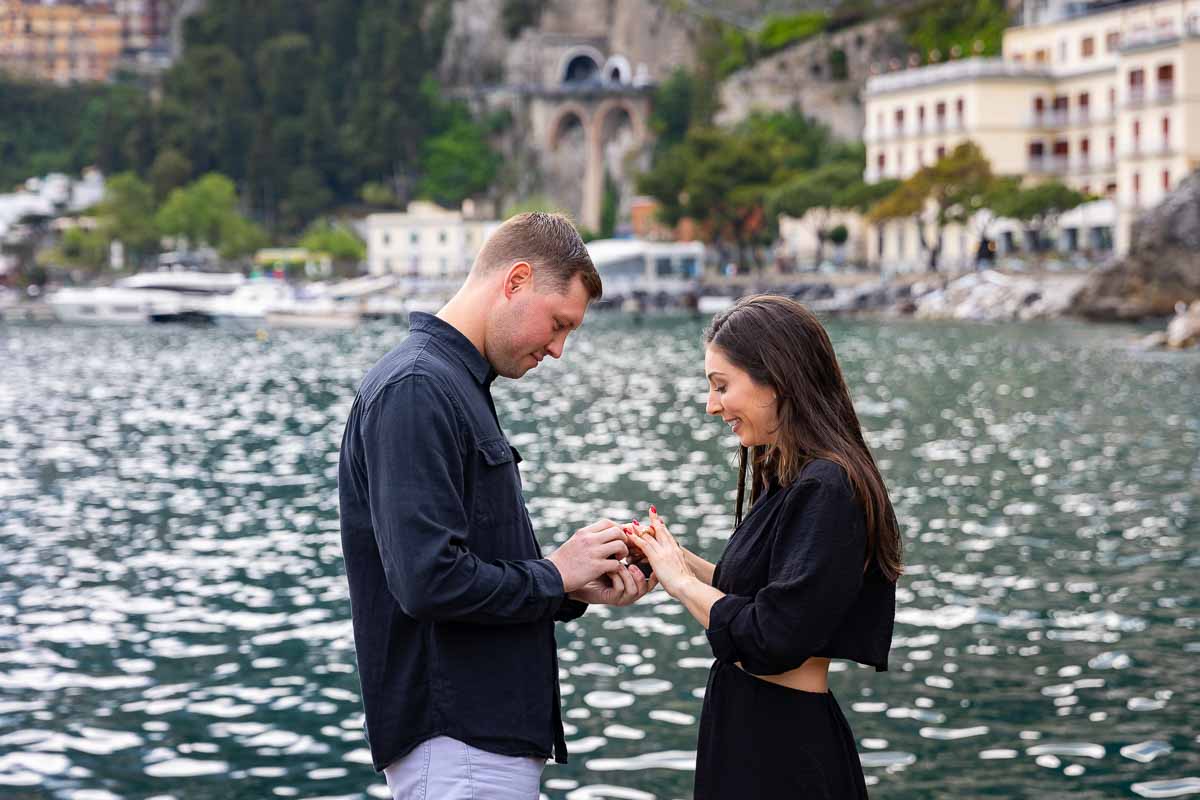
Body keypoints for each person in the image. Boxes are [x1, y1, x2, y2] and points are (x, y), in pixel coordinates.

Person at [338, 212, 654, 800]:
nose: (558, 349)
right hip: (457, 744)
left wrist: (569, 586)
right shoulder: (418, 387)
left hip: (476, 745)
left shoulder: (451, 385)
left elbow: (466, 565)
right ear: (516, 281)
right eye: (558, 324)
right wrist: (554, 573)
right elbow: (428, 580)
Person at [629, 294, 903, 799]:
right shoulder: (790, 478)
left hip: (782, 750)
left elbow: (772, 636)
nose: (712, 406)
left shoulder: (829, 487)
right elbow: (762, 600)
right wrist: (671, 559)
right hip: (750, 731)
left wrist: (682, 582)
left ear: (775, 379)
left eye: (721, 386)